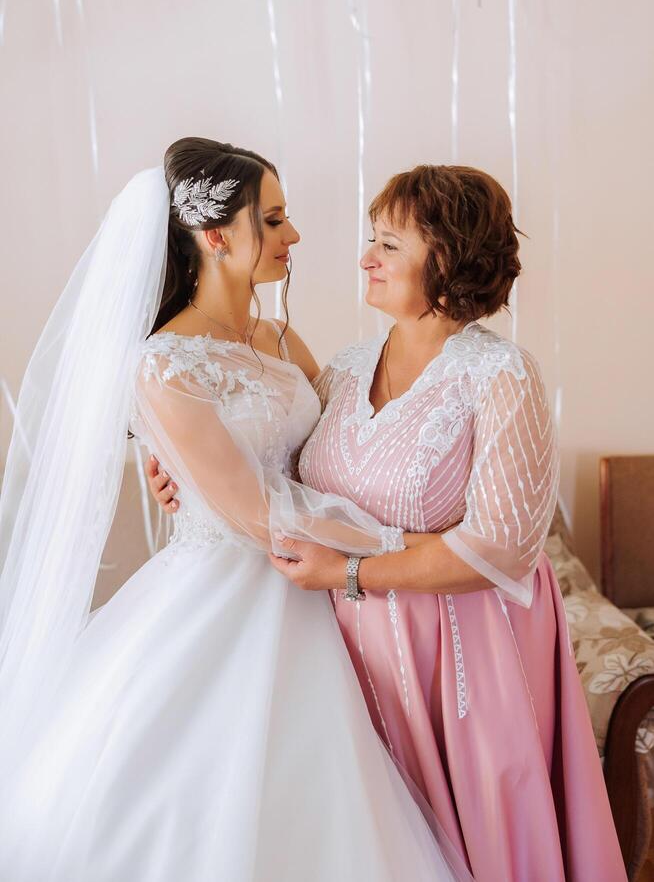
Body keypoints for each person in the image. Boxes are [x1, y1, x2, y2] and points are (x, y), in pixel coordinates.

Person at [0, 140, 468, 882]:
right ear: (216, 236)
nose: (295, 237)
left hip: (325, 584)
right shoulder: (161, 362)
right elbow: (260, 513)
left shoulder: (278, 338)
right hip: (232, 589)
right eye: (274, 219)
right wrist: (409, 541)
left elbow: (338, 449)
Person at [152, 163, 627, 881]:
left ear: (449, 256)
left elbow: (504, 545)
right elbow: (280, 467)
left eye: (390, 245)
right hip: (347, 647)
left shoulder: (502, 376)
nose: (365, 257)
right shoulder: (342, 368)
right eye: (370, 240)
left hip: (465, 651)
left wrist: (349, 571)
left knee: (476, 835)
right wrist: (185, 479)